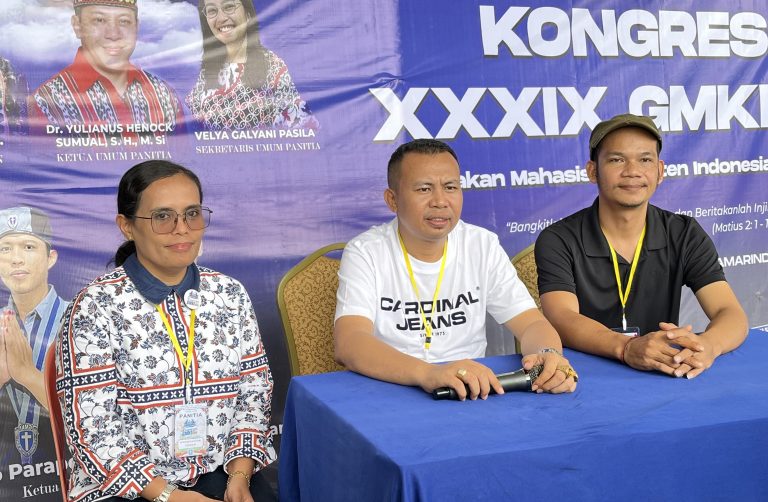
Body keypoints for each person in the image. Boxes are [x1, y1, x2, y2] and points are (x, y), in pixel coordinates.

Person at [54, 160, 276, 501]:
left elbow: (254, 391)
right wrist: (169, 496)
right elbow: (94, 431)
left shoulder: (230, 294)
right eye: (162, 216)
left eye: (192, 213)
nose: (182, 229)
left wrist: (241, 474)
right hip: (127, 487)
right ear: (127, 226)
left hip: (223, 472)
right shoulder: (94, 307)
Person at [334, 139, 577, 401]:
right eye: (424, 189)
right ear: (392, 200)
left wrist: (550, 356)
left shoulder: (481, 244)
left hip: (469, 392)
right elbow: (350, 342)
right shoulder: (366, 251)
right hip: (391, 390)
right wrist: (428, 374)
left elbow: (531, 324)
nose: (440, 201)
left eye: (451, 187)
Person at [535, 113, 748, 379]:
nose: (632, 171)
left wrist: (708, 345)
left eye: (645, 159)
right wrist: (627, 347)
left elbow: (729, 313)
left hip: (661, 373)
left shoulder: (684, 233)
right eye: (617, 159)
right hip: (584, 376)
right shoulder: (559, 238)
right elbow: (562, 318)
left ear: (659, 171)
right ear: (592, 171)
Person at [30, 0, 183, 143]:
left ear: (136, 27)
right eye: (99, 20)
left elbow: (183, 161)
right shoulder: (47, 101)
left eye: (124, 21)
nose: (113, 34)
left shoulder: (163, 95)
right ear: (77, 26)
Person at [0, 206, 68, 465]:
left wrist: (28, 375)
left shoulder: (79, 319)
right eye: (5, 249)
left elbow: (93, 419)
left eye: (28, 247)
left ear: (50, 257)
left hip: (67, 473)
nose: (15, 259)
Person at [186, 0, 316, 130]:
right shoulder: (208, 71)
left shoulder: (271, 66)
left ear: (248, 15)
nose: (221, 18)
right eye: (212, 11)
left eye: (229, 6)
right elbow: (194, 126)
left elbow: (303, 128)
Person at [0, 57, 28, 136]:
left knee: (13, 104)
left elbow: (11, 80)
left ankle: (15, 130)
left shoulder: (5, 62)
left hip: (8, 91)